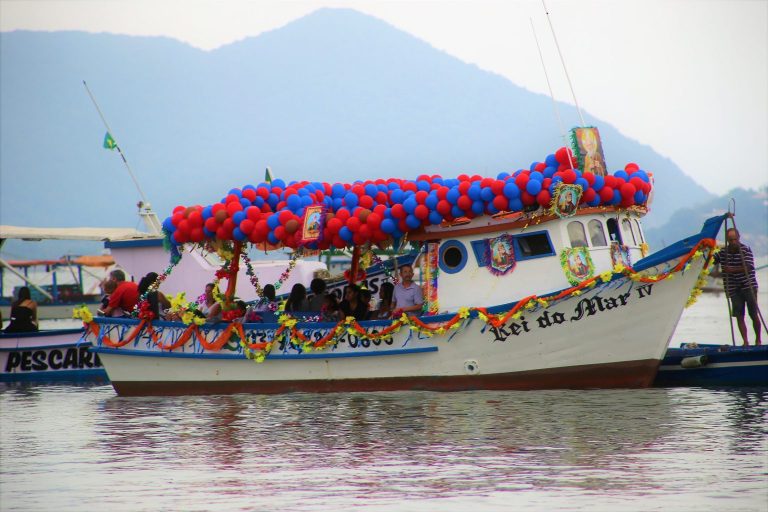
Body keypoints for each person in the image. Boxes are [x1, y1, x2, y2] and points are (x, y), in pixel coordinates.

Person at [714, 228, 762, 346]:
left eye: (735, 239)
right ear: (728, 240)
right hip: (733, 288)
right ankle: (745, 341)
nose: (733, 242)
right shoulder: (723, 252)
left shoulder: (745, 250)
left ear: (739, 238)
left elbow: (749, 267)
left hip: (748, 286)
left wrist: (732, 270)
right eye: (731, 240)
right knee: (739, 315)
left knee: (753, 314)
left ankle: (758, 340)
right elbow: (712, 260)